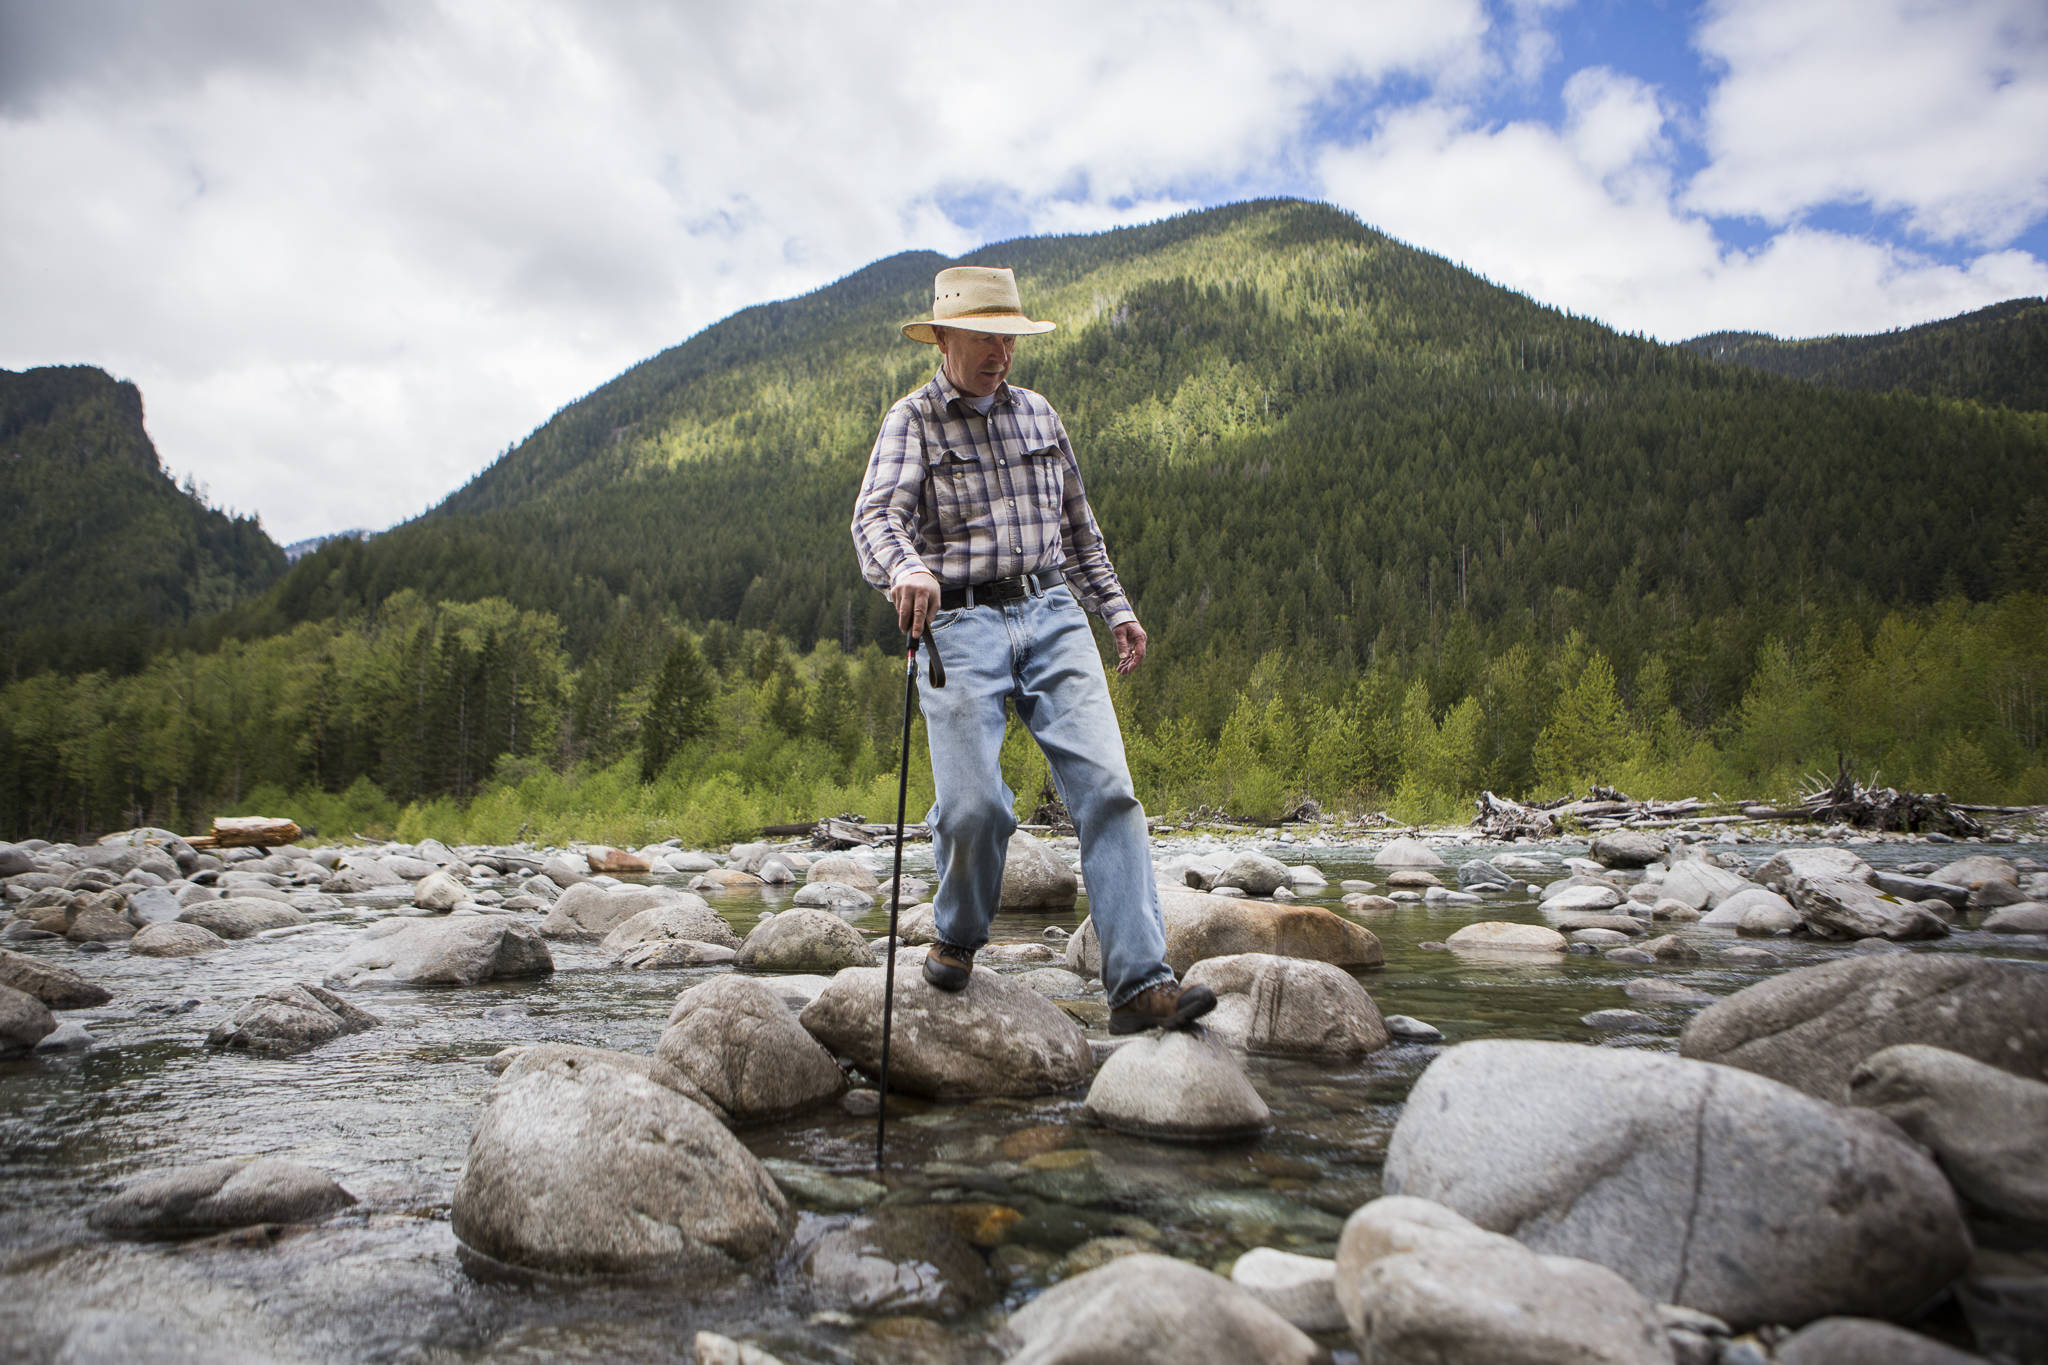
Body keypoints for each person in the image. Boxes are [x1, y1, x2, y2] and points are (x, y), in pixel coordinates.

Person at [851, 265, 1215, 1035]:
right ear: (944, 336)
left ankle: (1140, 984)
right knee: (975, 808)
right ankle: (957, 931)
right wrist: (907, 567)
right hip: (958, 624)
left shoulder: (1041, 416)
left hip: (1051, 611)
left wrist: (1114, 608)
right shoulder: (911, 421)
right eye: (985, 337)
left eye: (1009, 339)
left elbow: (1080, 531)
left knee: (1109, 791)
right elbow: (875, 521)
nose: (1000, 353)